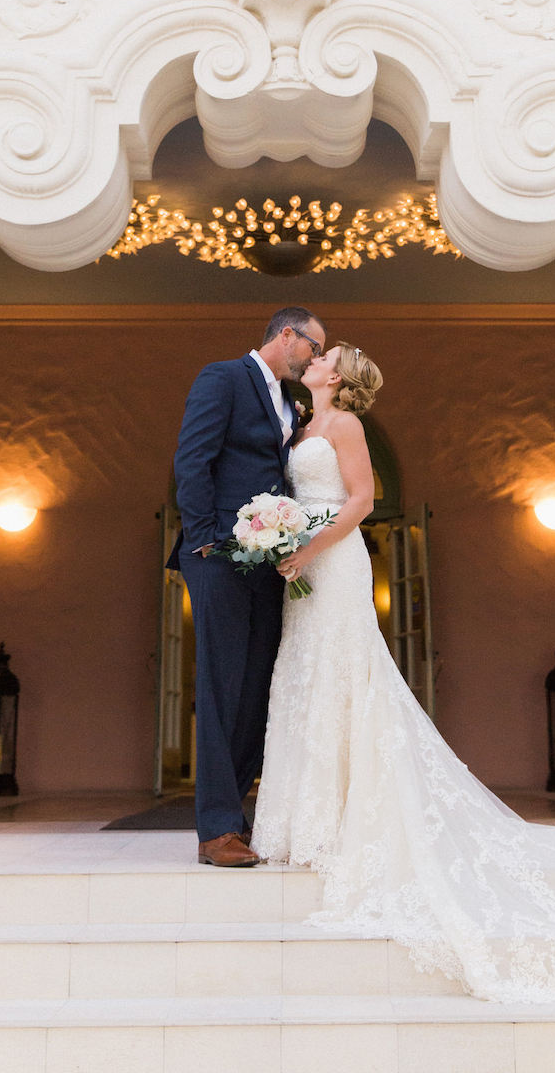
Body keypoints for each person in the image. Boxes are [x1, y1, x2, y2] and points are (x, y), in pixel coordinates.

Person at [252, 342, 555, 1002]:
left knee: (342, 675)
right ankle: (307, 819)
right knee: (302, 679)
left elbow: (364, 499)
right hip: (302, 564)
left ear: (335, 377)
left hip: (333, 564)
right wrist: (276, 535)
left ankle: (344, 817)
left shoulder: (345, 425)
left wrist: (307, 546)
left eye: (325, 355)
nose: (313, 356)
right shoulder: (301, 424)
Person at [172, 305, 326, 867]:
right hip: (218, 556)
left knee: (258, 688)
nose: (314, 357)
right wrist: (205, 540)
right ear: (287, 336)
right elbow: (193, 459)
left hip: (270, 562)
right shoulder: (223, 378)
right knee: (221, 687)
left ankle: (233, 816)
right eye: (313, 346)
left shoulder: (292, 403)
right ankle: (214, 831)